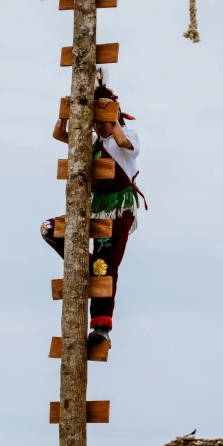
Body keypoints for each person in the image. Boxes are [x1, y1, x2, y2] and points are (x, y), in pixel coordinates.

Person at [41, 67, 145, 345]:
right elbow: (58, 134)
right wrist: (67, 112)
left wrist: (111, 111)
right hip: (94, 209)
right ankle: (84, 266)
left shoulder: (128, 137)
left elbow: (121, 139)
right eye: (95, 122)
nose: (98, 126)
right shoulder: (92, 142)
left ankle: (101, 328)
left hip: (118, 210)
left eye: (103, 121)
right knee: (50, 229)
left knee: (106, 267)